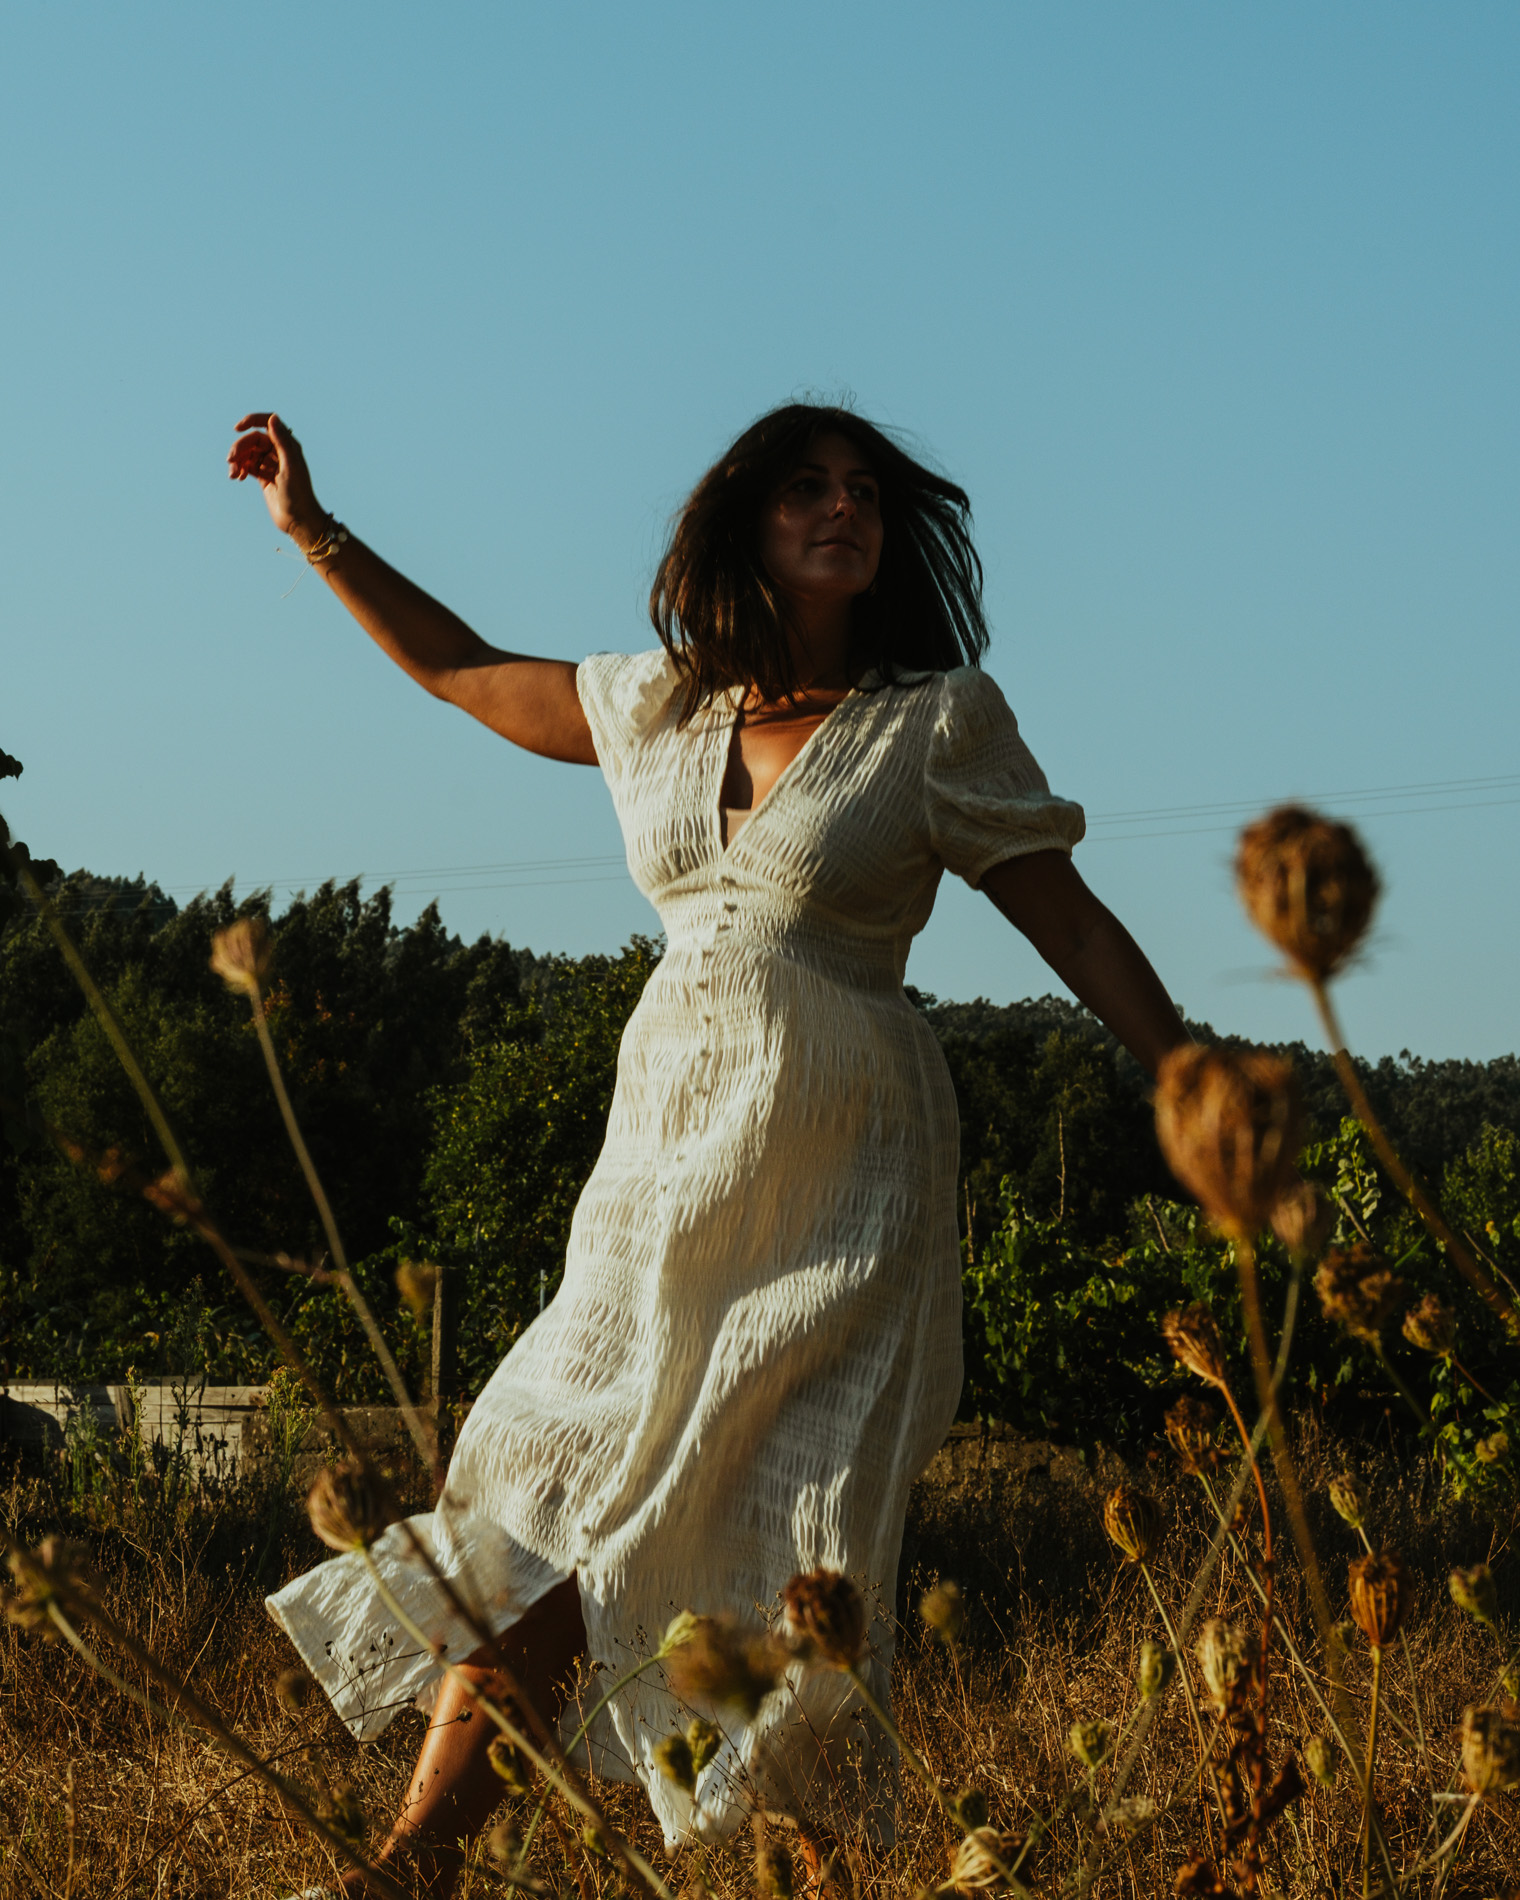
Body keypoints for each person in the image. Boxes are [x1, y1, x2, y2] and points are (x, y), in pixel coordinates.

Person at [228, 403, 1189, 1897]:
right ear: (746, 518)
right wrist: (314, 530)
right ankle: (451, 1859)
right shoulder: (666, 707)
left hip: (836, 1183)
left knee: (752, 1540)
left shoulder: (932, 722)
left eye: (865, 492)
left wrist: (1188, 1076)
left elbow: (1067, 919)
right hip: (662, 1165)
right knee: (541, 1485)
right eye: (808, 486)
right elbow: (470, 675)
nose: (844, 509)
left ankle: (449, 1866)